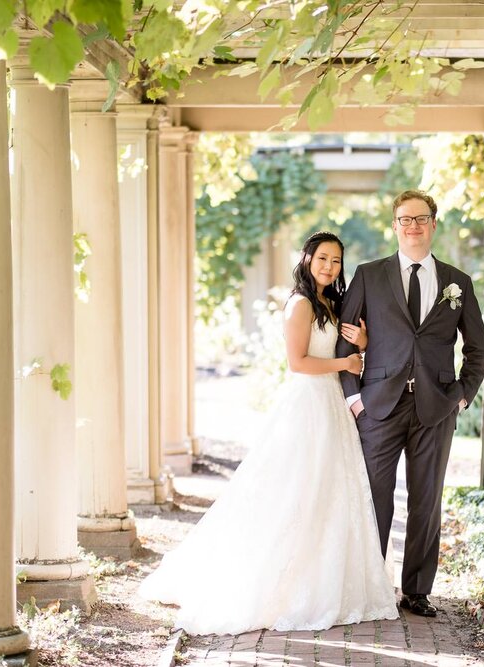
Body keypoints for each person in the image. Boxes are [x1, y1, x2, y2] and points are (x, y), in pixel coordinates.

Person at [139, 231, 398, 636]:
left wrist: (361, 346)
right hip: (309, 404)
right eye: (323, 258)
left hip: (332, 405)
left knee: (332, 492)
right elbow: (298, 363)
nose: (330, 266)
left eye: (336, 260)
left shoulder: (331, 302)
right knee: (297, 490)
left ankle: (324, 576)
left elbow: (344, 352)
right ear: (308, 258)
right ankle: (281, 582)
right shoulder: (299, 304)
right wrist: (346, 365)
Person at [335, 190, 484, 618]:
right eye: (405, 219)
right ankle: (370, 585)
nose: (413, 226)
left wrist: (461, 395)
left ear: (433, 223)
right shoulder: (369, 275)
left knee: (426, 500)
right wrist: (354, 398)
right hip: (378, 407)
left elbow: (477, 349)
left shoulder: (458, 282)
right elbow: (345, 338)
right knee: (375, 498)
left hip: (436, 407)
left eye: (421, 218)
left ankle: (416, 591)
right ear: (395, 226)